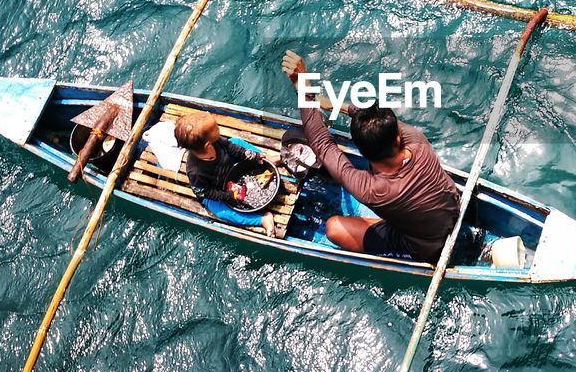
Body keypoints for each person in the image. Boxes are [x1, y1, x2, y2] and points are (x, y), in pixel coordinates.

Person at [280, 50, 459, 264]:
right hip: (453, 209)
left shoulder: (374, 190)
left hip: (426, 248)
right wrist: (331, 104)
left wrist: (303, 87)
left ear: (363, 154)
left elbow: (322, 143)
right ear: (397, 136)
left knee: (334, 228)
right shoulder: (416, 139)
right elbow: (378, 119)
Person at [174, 112, 276, 237]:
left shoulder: (217, 141)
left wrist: (252, 155)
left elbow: (231, 147)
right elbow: (204, 192)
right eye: (216, 128)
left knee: (236, 141)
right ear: (207, 145)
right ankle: (262, 219)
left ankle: (265, 158)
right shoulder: (195, 172)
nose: (219, 129)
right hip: (216, 189)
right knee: (222, 212)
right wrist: (228, 195)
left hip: (228, 164)